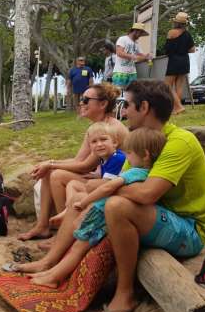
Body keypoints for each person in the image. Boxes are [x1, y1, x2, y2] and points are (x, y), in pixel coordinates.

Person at [98, 79, 205, 312]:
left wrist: (110, 190)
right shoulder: (140, 140)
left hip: (190, 230)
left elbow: (145, 194)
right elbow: (124, 183)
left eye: (127, 105)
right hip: (156, 216)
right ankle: (57, 267)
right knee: (96, 198)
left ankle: (125, 292)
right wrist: (109, 189)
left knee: (116, 205)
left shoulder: (180, 141)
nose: (124, 111)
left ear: (145, 107)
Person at [28, 128, 166, 289]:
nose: (127, 158)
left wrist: (84, 202)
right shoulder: (150, 175)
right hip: (109, 215)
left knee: (77, 248)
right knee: (78, 248)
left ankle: (54, 276)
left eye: (129, 153)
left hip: (99, 214)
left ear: (145, 155)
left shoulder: (133, 173)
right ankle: (50, 272)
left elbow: (106, 188)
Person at [18, 83, 128, 242]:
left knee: (57, 175)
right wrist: (49, 162)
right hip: (104, 178)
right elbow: (79, 159)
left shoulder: (111, 128)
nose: (81, 102)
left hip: (112, 184)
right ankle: (42, 226)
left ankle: (66, 230)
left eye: (86, 99)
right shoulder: (97, 126)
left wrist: (51, 165)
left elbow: (85, 166)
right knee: (50, 171)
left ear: (102, 104)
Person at [48, 122, 126, 226]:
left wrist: (96, 180)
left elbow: (107, 183)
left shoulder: (117, 158)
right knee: (72, 184)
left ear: (115, 143)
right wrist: (97, 175)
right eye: (94, 142)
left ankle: (67, 212)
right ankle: (68, 210)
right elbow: (109, 174)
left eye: (103, 139)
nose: (99, 144)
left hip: (113, 193)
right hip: (106, 187)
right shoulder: (105, 157)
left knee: (79, 185)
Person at [164, 12, 195, 115]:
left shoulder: (171, 32)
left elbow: (167, 49)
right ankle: (175, 109)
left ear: (176, 23)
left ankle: (179, 107)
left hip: (174, 60)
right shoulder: (187, 34)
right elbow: (192, 50)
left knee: (167, 85)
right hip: (185, 60)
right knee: (179, 86)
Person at [112, 23, 152, 89]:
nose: (140, 36)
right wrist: (134, 56)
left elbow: (142, 55)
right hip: (120, 72)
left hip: (132, 73)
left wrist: (147, 56)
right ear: (135, 31)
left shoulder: (136, 43)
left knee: (131, 93)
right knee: (118, 93)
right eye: (140, 33)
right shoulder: (123, 39)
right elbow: (119, 53)